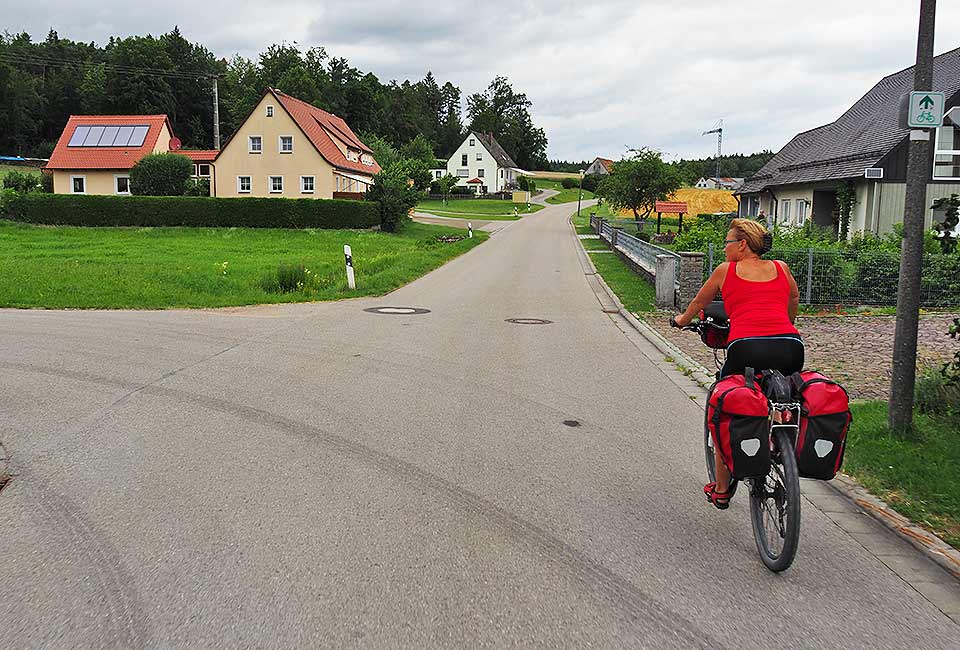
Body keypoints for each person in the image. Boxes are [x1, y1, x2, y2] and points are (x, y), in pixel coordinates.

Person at [670, 218, 802, 509]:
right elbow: (793, 297)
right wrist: (785, 325)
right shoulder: (781, 267)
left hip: (746, 348)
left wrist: (681, 321)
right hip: (791, 345)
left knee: (723, 408)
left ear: (742, 245)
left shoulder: (726, 271)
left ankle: (721, 489)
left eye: (728, 242)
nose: (725, 248)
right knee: (787, 395)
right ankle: (782, 439)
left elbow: (698, 304)